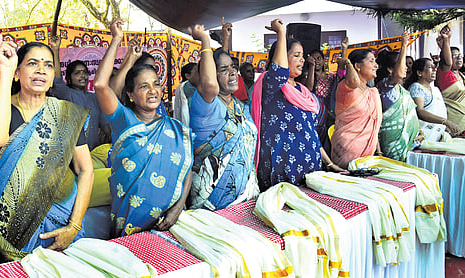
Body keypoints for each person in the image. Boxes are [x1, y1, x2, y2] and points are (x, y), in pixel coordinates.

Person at [0, 36, 93, 262]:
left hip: (62, 222)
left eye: (48, 65)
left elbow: (85, 170)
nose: (41, 70)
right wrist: (5, 69)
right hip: (13, 225)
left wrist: (74, 225)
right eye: (32, 63)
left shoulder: (67, 114)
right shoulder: (2, 107)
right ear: (18, 71)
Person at [93, 18, 193, 237]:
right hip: (129, 224)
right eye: (143, 87)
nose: (152, 91)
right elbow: (101, 85)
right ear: (130, 94)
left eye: (156, 84)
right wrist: (117, 40)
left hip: (172, 223)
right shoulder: (123, 119)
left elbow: (187, 171)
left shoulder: (175, 128)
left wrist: (177, 209)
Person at [251, 19, 343, 192]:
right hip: (282, 171)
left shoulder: (303, 91)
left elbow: (311, 134)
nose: (302, 60)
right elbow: (279, 72)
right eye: (296, 55)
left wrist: (329, 163)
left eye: (302, 56)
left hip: (310, 169)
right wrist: (281, 34)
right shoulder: (271, 85)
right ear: (280, 57)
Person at [186, 23, 259, 210]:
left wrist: (224, 42)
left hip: (247, 197)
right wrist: (204, 40)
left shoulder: (240, 106)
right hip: (213, 202)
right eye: (224, 70)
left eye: (233, 67)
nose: (233, 72)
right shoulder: (204, 104)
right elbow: (210, 84)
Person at [49, 36, 111, 150]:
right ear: (69, 77)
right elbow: (57, 79)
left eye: (85, 72)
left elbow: (104, 123)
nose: (82, 76)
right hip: (72, 154)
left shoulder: (95, 97)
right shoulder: (66, 94)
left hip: (94, 152)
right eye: (77, 73)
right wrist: (55, 50)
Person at [330, 48, 382, 169]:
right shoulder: (346, 87)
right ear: (357, 65)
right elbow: (354, 81)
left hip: (368, 153)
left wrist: (378, 151)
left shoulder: (372, 92)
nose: (376, 65)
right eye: (371, 61)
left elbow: (374, 125)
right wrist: (347, 63)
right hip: (347, 151)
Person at [376, 32, 423, 161]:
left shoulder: (401, 89)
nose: (407, 68)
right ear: (391, 69)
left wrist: (419, 131)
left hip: (410, 141)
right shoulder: (385, 85)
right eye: (402, 63)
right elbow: (400, 74)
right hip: (393, 141)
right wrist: (403, 46)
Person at [305, 38, 348, 156]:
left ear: (324, 60)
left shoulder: (331, 77)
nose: (316, 61)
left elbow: (341, 72)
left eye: (319, 58)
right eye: (313, 59)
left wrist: (344, 49)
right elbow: (309, 89)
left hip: (332, 114)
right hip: (318, 117)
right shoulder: (308, 77)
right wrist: (311, 67)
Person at [405, 57, 461, 142]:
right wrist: (445, 122)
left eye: (434, 67)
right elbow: (420, 111)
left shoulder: (435, 89)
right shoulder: (416, 87)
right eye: (430, 67)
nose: (435, 70)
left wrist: (444, 127)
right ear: (419, 73)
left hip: (436, 136)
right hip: (423, 137)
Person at [435, 25, 465, 137]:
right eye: (454, 56)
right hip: (455, 125)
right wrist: (446, 39)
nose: (459, 58)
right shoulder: (444, 74)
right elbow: (447, 63)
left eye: (460, 55)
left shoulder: (461, 75)